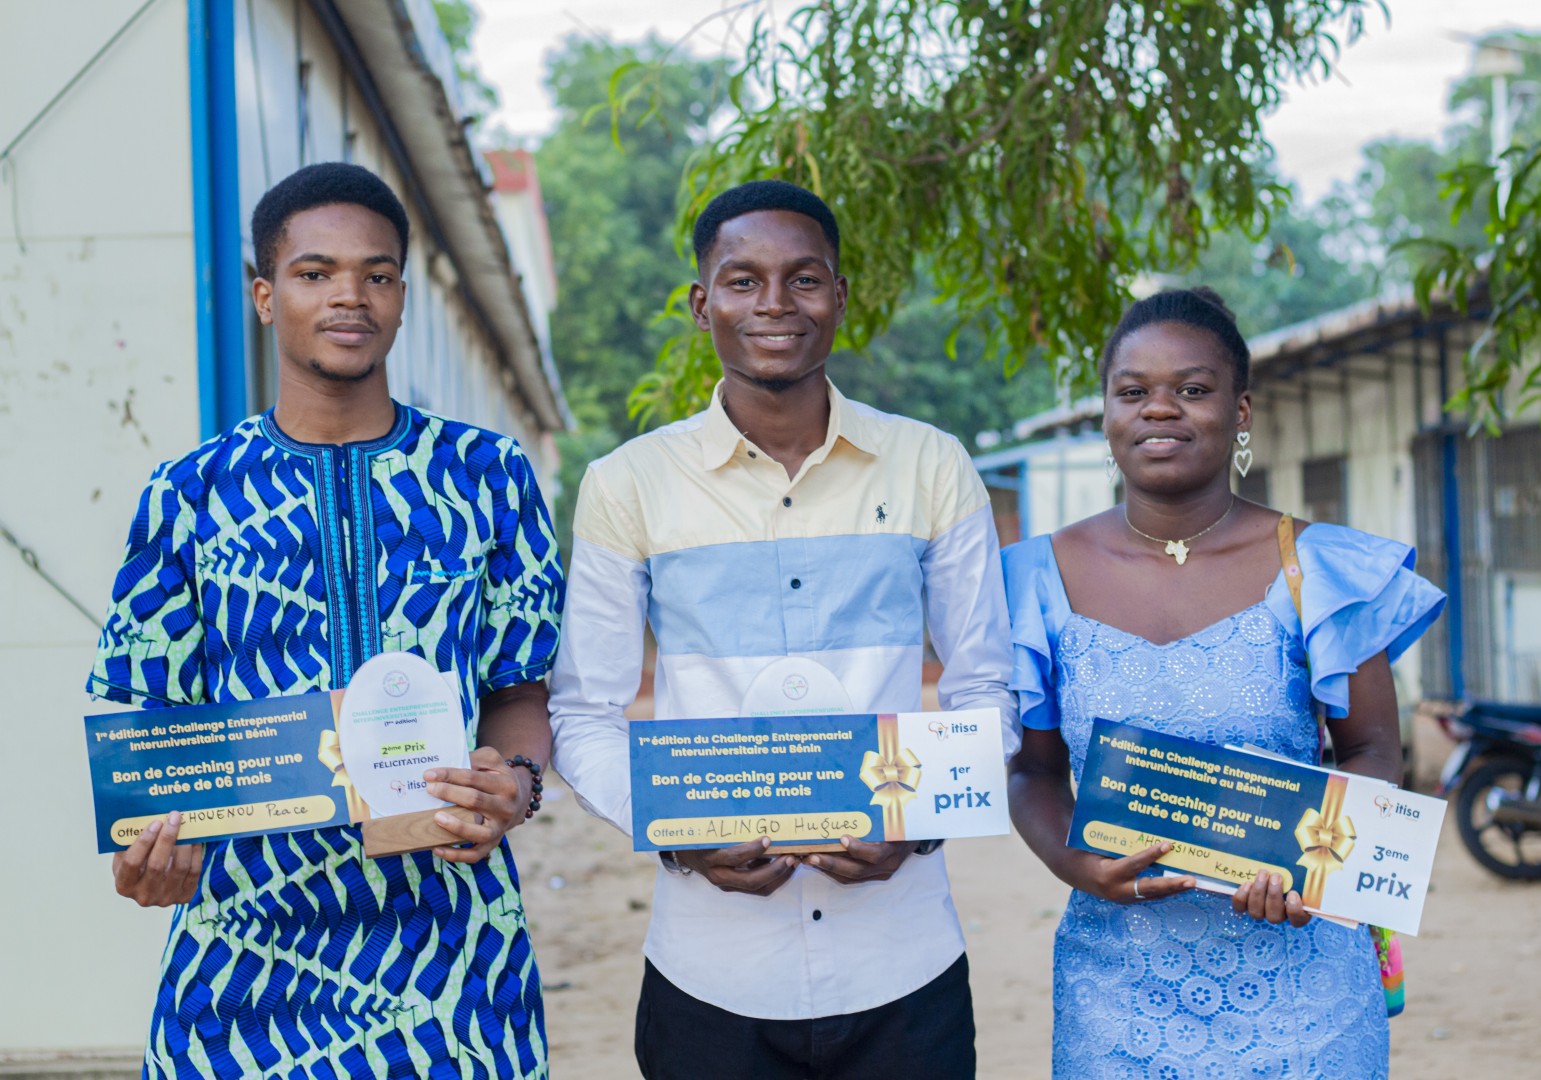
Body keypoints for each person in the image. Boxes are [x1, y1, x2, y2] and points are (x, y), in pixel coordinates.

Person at [88, 163, 562, 1077]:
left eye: (378, 274)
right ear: (266, 296)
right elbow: (143, 722)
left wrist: (520, 786)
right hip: (242, 957)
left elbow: (518, 686)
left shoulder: (486, 475)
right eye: (315, 273)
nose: (351, 296)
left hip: (452, 950)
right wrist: (146, 848)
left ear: (400, 297)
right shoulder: (189, 494)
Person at [548, 179, 1017, 1079]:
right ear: (700, 304)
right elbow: (584, 713)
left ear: (840, 298)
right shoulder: (629, 484)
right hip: (711, 975)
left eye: (804, 280)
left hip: (904, 963)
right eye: (742, 280)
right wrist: (672, 829)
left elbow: (986, 687)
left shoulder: (930, 464)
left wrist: (916, 822)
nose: (774, 304)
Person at [1004, 287, 1445, 1079]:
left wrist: (1316, 865)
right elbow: (1032, 770)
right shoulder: (1035, 578)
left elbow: (1375, 748)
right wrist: (1076, 868)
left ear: (1241, 411)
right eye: (1132, 392)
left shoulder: (1319, 568)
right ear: (1105, 414)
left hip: (1305, 988)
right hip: (1118, 994)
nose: (1160, 410)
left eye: (1193, 390)